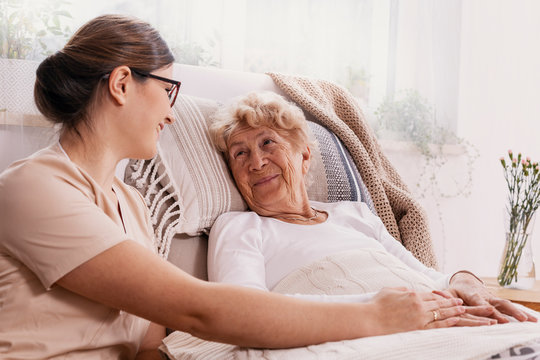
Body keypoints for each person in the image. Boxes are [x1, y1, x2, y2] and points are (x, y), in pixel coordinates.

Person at [0, 15, 474, 360]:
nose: (171, 112)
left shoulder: (130, 206)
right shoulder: (33, 189)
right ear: (122, 84)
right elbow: (199, 311)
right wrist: (375, 315)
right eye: (169, 91)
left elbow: (147, 344)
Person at [207, 91, 537, 325]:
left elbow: (427, 277)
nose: (257, 162)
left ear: (305, 156)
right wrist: (379, 309)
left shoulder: (356, 214)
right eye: (239, 154)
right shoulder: (239, 227)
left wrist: (467, 282)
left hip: (437, 320)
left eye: (268, 143)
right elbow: (243, 314)